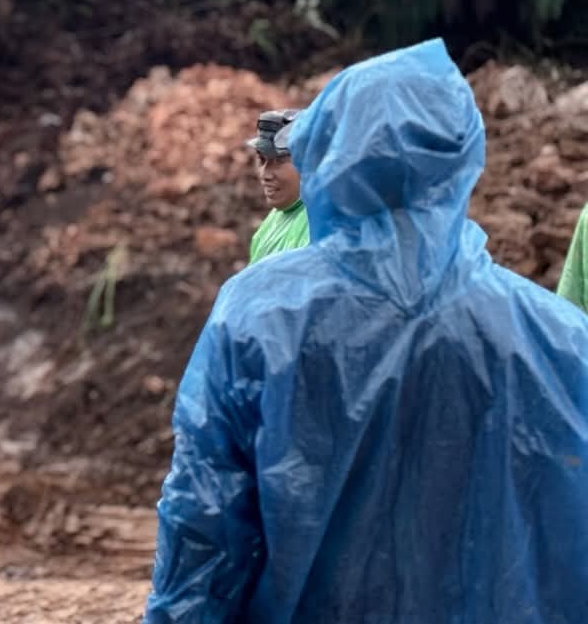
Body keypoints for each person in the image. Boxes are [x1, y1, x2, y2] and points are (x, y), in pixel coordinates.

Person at [143, 38, 588, 623]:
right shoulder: (556, 338)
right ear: (461, 157)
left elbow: (202, 525)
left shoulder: (258, 316)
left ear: (329, 156)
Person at [245, 108, 309, 263]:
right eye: (262, 160)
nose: (265, 174)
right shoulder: (271, 224)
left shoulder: (320, 225)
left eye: (279, 161)